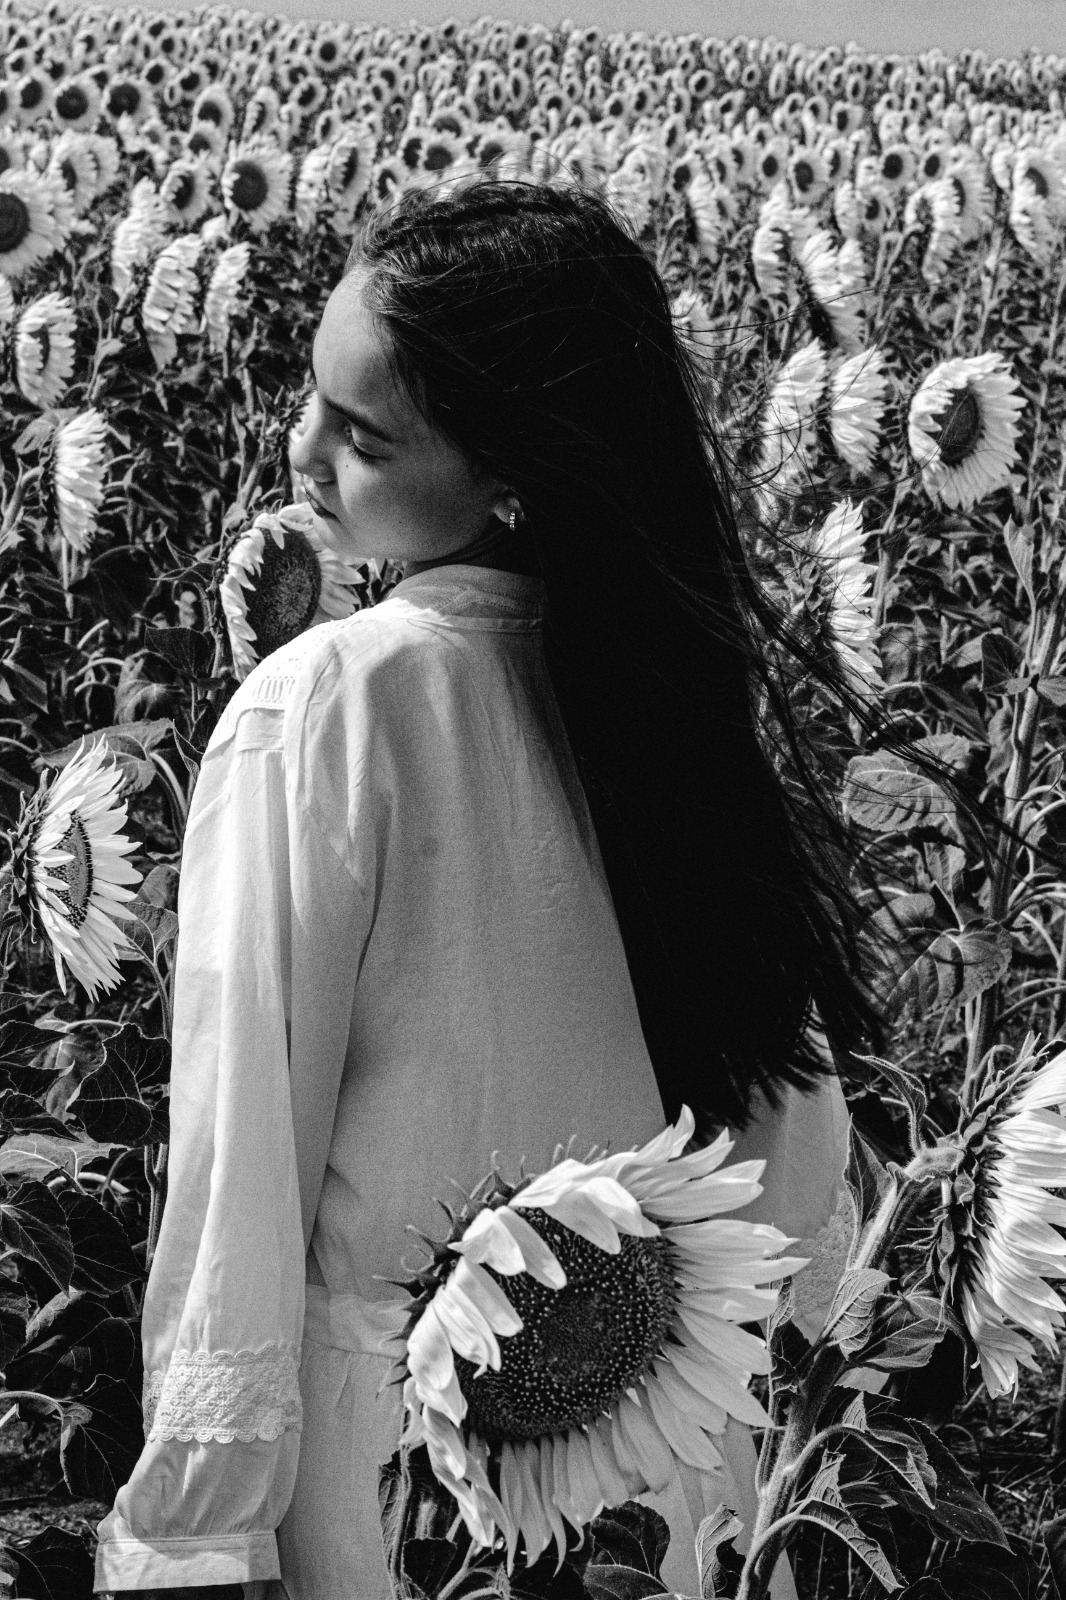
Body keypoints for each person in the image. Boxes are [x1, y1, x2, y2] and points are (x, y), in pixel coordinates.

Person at [94, 179, 883, 1600]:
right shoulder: (670, 697)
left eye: (364, 436)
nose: (302, 449)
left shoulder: (326, 706)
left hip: (400, 1482)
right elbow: (792, 1162)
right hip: (665, 1478)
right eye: (315, 398)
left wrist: (196, 1528)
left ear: (513, 476)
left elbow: (243, 1152)